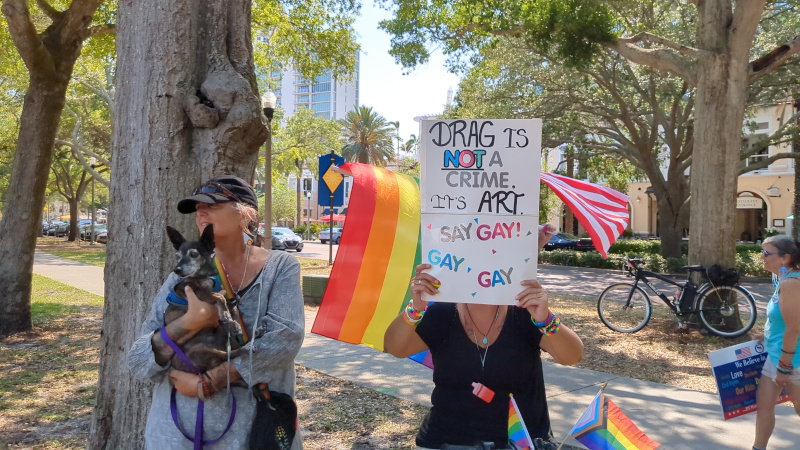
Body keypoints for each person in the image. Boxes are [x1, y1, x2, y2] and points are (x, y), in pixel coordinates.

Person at [128, 175, 305, 449]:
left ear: (245, 214)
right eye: (197, 208)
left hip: (255, 433)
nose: (201, 213)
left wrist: (212, 380)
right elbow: (139, 359)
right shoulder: (180, 277)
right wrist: (189, 323)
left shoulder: (280, 268)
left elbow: (285, 340)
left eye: (211, 205)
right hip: (176, 435)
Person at [384, 224, 584, 449]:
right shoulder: (443, 313)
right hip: (447, 441)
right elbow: (395, 347)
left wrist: (546, 319)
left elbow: (573, 356)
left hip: (520, 442)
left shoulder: (523, 312)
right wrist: (415, 309)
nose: (480, 269)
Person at [753, 235, 800, 450]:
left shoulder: (792, 283)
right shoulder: (781, 278)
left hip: (792, 360)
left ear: (785, 258)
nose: (761, 257)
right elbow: (783, 319)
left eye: (766, 253)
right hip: (775, 354)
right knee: (764, 405)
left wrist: (784, 367)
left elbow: (794, 328)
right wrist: (767, 335)